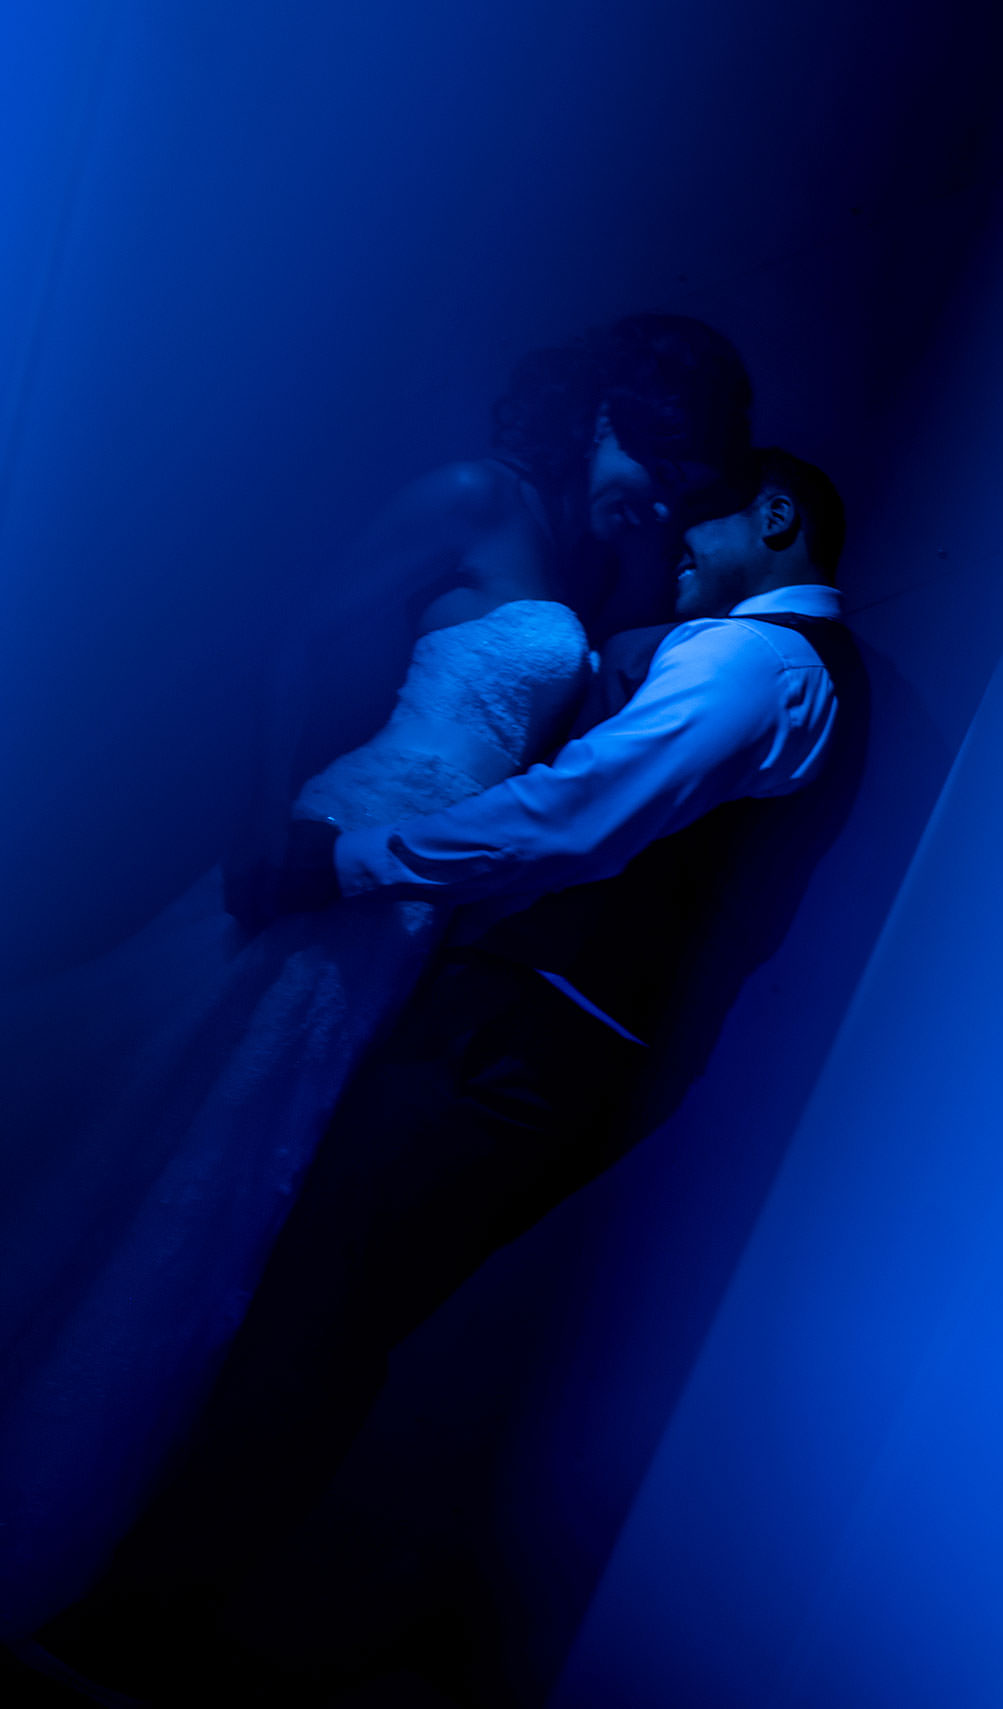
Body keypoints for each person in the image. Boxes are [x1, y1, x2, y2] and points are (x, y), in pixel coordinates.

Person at [38, 447, 867, 1699]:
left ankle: (127, 1631)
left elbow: (579, 816)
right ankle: (139, 1615)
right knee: (323, 1311)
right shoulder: (784, 668)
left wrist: (349, 860)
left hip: (521, 1038)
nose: (676, 545)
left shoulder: (755, 658)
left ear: (774, 512)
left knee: (312, 1316)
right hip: (552, 1033)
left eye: (699, 521)